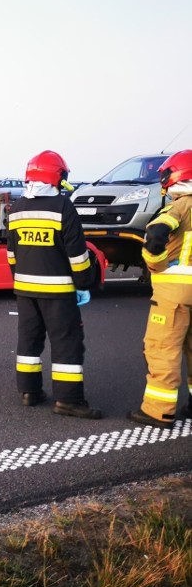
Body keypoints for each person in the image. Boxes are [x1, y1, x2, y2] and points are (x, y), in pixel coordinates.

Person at [7, 150, 101, 419]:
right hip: (59, 292)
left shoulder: (17, 208)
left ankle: (29, 392)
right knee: (66, 342)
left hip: (25, 289)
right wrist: (83, 283)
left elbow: (11, 253)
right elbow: (78, 254)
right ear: (57, 176)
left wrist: (21, 277)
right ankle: (69, 400)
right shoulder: (63, 207)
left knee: (28, 340)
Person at [128, 150, 192, 429]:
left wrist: (157, 265)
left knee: (162, 349)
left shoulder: (179, 206)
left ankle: (158, 411)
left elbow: (154, 235)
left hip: (174, 293)